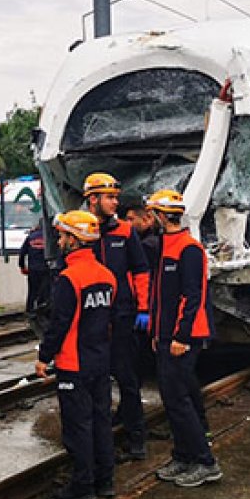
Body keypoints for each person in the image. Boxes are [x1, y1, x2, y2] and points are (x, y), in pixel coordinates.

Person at [35, 210, 117, 499]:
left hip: (73, 362)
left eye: (63, 235)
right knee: (101, 420)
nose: (59, 239)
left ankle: (82, 486)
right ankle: (105, 480)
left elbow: (60, 324)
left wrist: (44, 356)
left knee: (78, 426)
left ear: (74, 239)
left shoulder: (69, 279)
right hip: (100, 359)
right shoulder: (107, 277)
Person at [144, 189, 223, 488]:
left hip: (183, 338)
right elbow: (160, 296)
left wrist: (181, 335)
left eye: (153, 214)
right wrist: (156, 333)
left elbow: (193, 297)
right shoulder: (166, 246)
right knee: (172, 398)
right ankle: (184, 455)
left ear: (163, 216)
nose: (150, 219)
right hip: (166, 336)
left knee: (178, 399)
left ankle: (205, 462)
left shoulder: (188, 249)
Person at [82, 173, 153, 462]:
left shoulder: (125, 232)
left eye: (116, 197)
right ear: (93, 199)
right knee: (94, 380)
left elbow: (141, 270)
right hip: (92, 318)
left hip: (123, 316)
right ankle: (99, 438)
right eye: (110, 197)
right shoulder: (81, 231)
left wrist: (144, 308)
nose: (115, 203)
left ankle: (137, 438)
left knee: (127, 378)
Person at [20, 221, 49, 311]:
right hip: (45, 269)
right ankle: (41, 311)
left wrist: (22, 266)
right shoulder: (48, 237)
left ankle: (29, 310)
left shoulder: (30, 237)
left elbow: (22, 253)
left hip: (32, 269)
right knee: (44, 292)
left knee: (32, 291)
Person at [124, 204, 162, 270]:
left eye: (131, 219)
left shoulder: (147, 245)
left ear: (145, 220)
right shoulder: (157, 238)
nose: (127, 223)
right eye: (126, 220)